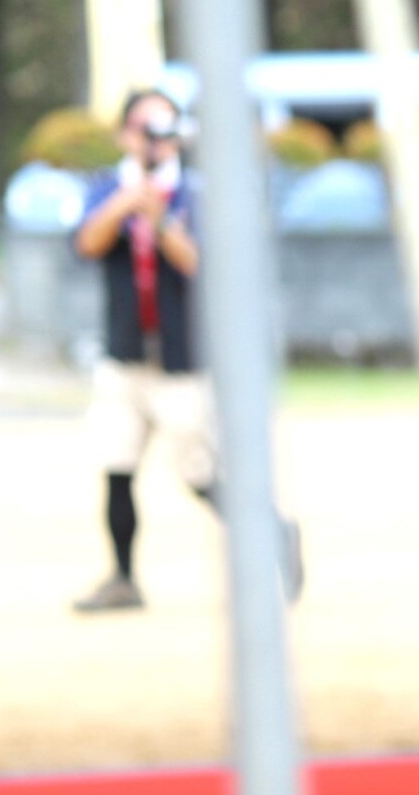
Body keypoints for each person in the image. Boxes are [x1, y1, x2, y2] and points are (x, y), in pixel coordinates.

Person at [69, 88, 298, 611]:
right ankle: (124, 577)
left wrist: (160, 219)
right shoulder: (108, 189)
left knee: (199, 472)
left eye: (165, 130)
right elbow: (86, 244)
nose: (155, 142)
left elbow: (205, 267)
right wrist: (127, 203)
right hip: (125, 355)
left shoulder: (196, 196)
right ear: (127, 135)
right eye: (146, 130)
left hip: (181, 360)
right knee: (116, 464)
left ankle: (275, 535)